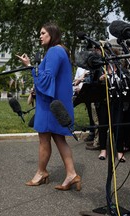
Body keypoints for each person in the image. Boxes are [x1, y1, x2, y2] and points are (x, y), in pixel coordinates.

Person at [16, 22, 81, 191]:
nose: (40, 36)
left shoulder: (53, 51)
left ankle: (41, 173)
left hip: (49, 105)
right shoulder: (61, 51)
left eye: (43, 33)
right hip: (57, 103)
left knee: (44, 139)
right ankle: (71, 174)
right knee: (59, 138)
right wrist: (32, 66)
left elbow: (46, 79)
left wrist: (30, 68)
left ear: (52, 34)